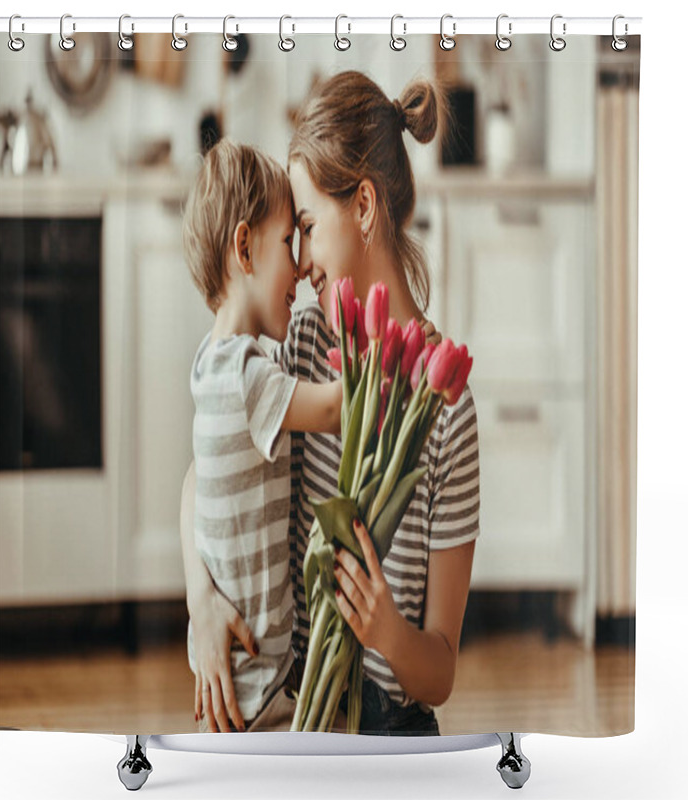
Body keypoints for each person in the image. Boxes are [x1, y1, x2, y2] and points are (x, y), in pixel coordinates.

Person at [181, 71, 480, 735]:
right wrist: (201, 603)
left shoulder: (446, 407)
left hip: (386, 723)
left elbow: (440, 672)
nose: (301, 258)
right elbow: (207, 473)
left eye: (309, 227)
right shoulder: (308, 343)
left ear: (365, 207)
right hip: (293, 705)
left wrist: (387, 632)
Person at [181, 138, 343, 733]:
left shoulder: (210, 364)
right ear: (244, 248)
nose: (300, 267)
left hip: (243, 680)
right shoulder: (248, 377)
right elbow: (333, 411)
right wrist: (383, 348)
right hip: (259, 686)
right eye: (286, 241)